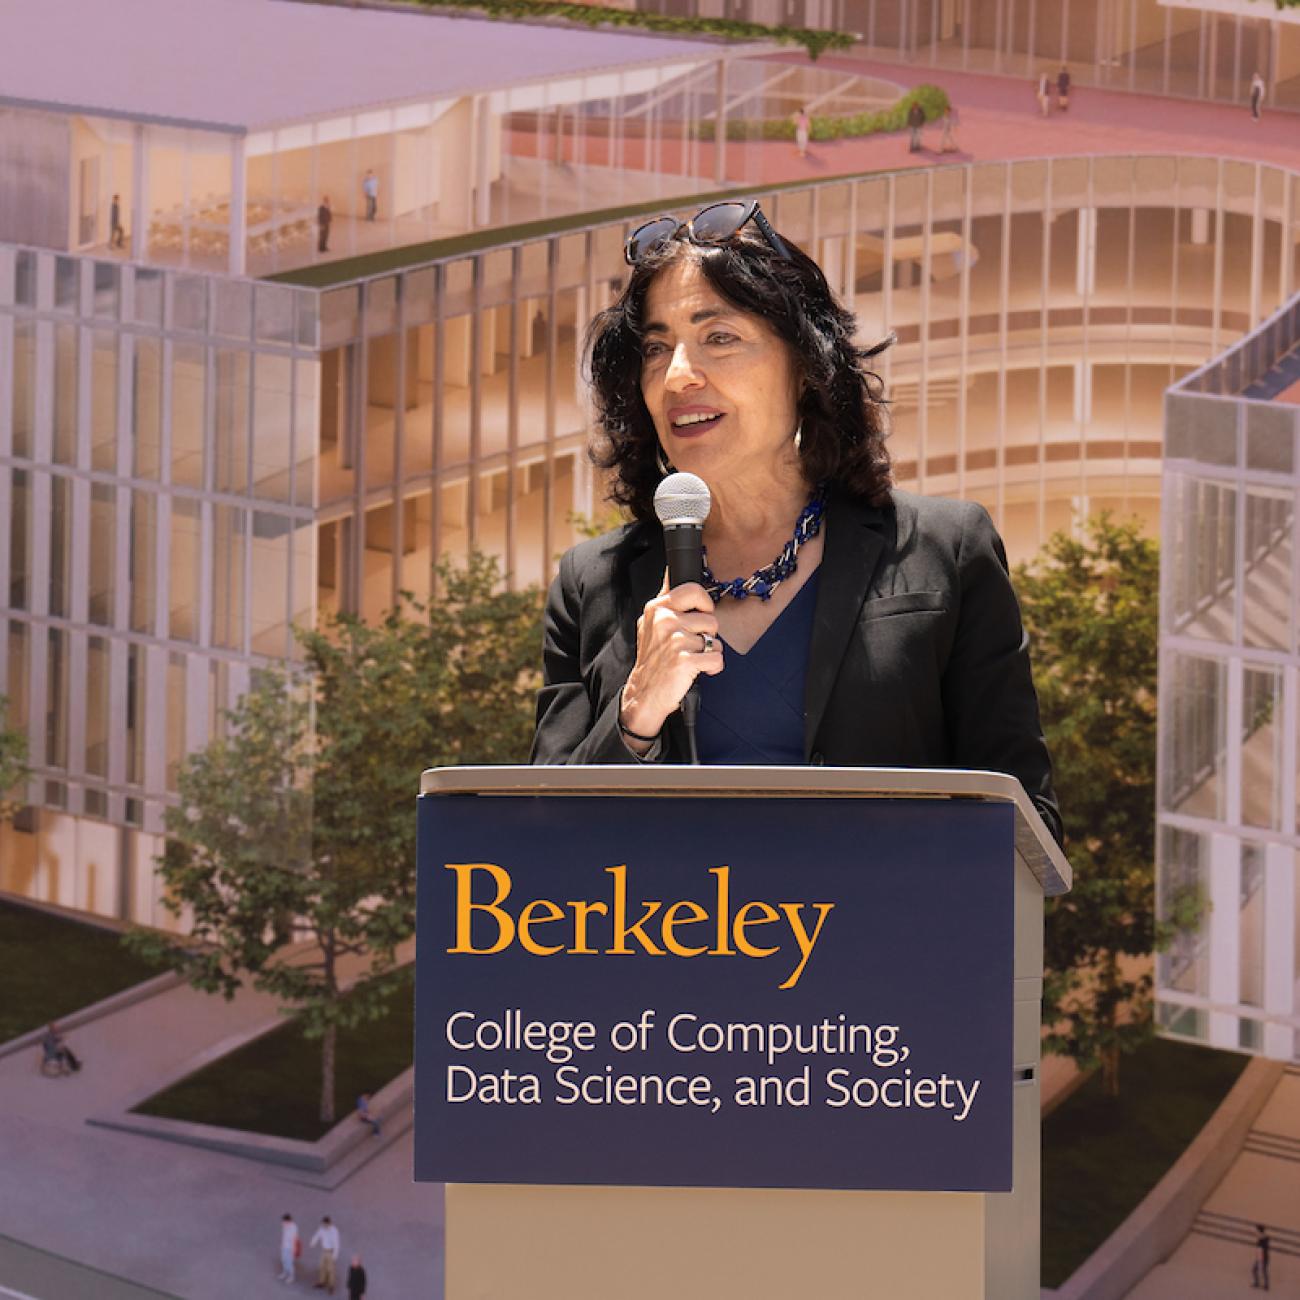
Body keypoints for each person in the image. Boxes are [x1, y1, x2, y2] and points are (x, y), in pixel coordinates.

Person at [530, 198, 1062, 850]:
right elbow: (544, 846)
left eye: (718, 337)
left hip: (885, 947)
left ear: (805, 368)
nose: (677, 376)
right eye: (655, 347)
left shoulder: (945, 552)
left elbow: (1029, 827)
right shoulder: (593, 583)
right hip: (670, 951)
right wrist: (636, 713)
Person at [310, 1215, 340, 1293]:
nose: (324, 1226)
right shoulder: (322, 1228)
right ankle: (321, 1282)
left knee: (330, 1269)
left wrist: (335, 1255)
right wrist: (313, 1242)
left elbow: (336, 1244)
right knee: (322, 1267)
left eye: (325, 1225)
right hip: (324, 1251)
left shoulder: (334, 1231)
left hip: (330, 1251)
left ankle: (331, 1285)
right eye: (323, 1224)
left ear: (329, 1224)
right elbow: (317, 1235)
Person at [278, 1212, 299, 1284]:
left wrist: (294, 1250)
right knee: (283, 1260)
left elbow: (294, 1240)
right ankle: (285, 1272)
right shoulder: (285, 1226)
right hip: (284, 1247)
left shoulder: (293, 1228)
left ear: (288, 1221)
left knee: (289, 1262)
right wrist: (282, 1245)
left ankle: (291, 1276)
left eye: (284, 1221)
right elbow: (284, 1236)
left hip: (290, 1248)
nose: (283, 1223)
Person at [1252, 1223, 1270, 1289]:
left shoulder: (1263, 1239)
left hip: (1262, 1256)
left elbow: (1262, 1248)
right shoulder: (1263, 1238)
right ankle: (1264, 1285)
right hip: (1262, 1256)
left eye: (1257, 1230)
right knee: (1262, 1270)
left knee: (1257, 1270)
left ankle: (1261, 1284)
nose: (1256, 1231)